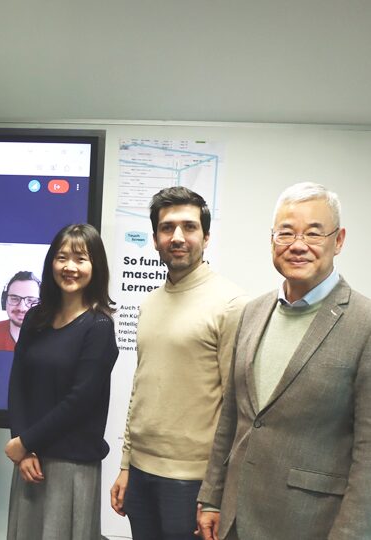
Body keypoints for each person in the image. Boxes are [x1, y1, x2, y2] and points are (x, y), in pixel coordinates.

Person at [197, 182, 371, 540]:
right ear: (272, 240)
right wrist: (212, 498)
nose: (297, 245)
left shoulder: (364, 323)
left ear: (338, 241)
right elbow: (232, 416)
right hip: (235, 517)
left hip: (310, 524)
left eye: (313, 233)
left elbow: (367, 450)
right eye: (286, 233)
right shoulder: (252, 312)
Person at [109, 186, 246, 540]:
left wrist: (217, 492)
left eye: (189, 227)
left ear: (206, 236)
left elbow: (237, 406)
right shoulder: (149, 304)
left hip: (193, 481)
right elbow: (141, 389)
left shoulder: (230, 304)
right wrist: (126, 466)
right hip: (140, 474)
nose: (178, 237)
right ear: (155, 239)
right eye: (168, 228)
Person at [4, 223, 118, 540]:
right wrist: (22, 446)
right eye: (62, 257)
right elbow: (18, 384)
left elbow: (80, 401)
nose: (69, 267)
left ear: (95, 267)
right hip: (30, 462)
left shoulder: (98, 328)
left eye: (80, 259)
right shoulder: (35, 318)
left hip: (72, 466)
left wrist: (27, 442)